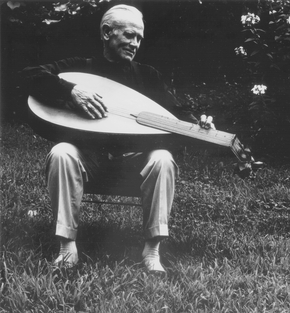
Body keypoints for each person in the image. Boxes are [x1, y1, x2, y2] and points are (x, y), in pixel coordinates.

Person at [22, 4, 214, 274]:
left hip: (133, 166)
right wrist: (72, 90)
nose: (135, 43)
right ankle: (67, 247)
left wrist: (200, 123)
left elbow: (176, 114)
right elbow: (26, 76)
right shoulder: (80, 67)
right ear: (106, 32)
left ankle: (152, 250)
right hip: (89, 160)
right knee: (62, 152)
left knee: (163, 158)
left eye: (139, 38)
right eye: (128, 35)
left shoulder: (148, 76)